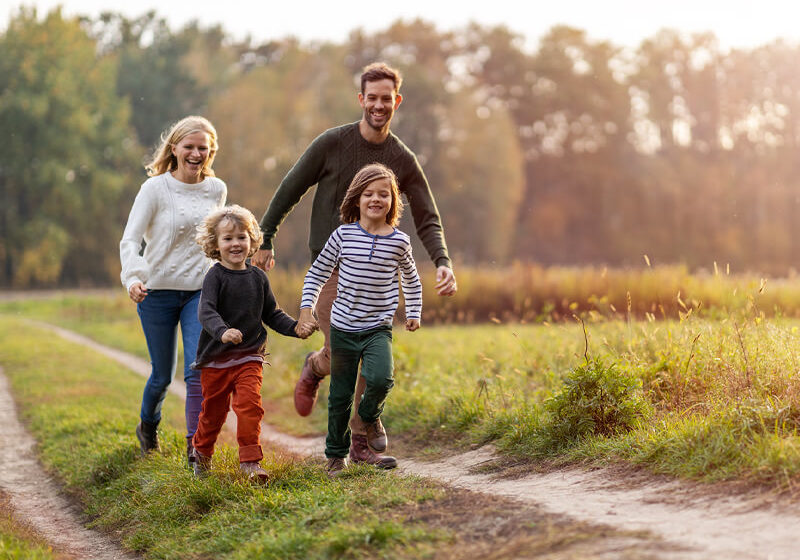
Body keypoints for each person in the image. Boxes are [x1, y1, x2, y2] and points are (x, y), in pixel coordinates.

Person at [253, 62, 457, 467]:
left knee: (371, 352)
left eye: (387, 99)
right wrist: (266, 236)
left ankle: (360, 441)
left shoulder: (401, 158)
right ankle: (315, 367)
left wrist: (442, 261)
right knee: (341, 351)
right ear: (361, 99)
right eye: (372, 98)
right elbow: (291, 187)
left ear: (396, 102)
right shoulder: (332, 143)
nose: (379, 106)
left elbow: (426, 214)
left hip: (378, 274)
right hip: (332, 266)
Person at [299, 163, 421, 477]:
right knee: (340, 395)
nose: (375, 199)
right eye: (368, 193)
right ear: (357, 199)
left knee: (381, 379)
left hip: (378, 327)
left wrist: (414, 312)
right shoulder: (343, 235)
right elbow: (317, 273)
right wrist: (306, 308)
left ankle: (369, 417)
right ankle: (336, 456)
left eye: (384, 194)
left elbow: (411, 279)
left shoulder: (399, 242)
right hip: (343, 328)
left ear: (393, 201)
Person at [120, 116, 227, 465]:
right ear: (175, 148)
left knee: (197, 369)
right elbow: (131, 239)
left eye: (202, 148)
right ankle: (148, 427)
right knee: (162, 376)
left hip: (200, 290)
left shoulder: (216, 189)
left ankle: (195, 450)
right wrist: (134, 278)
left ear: (210, 152)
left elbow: (218, 238)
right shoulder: (154, 189)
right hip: (157, 292)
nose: (196, 154)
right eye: (189, 147)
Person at [191, 205, 314, 482]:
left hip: (249, 357)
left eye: (242, 237)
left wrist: (296, 328)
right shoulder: (215, 276)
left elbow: (272, 314)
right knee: (213, 414)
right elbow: (206, 311)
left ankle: (250, 462)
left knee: (250, 405)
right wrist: (222, 332)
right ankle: (201, 453)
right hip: (216, 359)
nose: (236, 243)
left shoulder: (258, 277)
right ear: (215, 244)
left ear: (252, 241)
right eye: (228, 238)